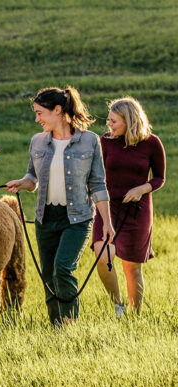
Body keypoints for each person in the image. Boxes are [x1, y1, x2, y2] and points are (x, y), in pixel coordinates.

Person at [5, 87, 112, 327]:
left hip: (77, 218)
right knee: (48, 277)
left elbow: (97, 184)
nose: (37, 119)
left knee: (62, 269)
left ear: (58, 110)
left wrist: (107, 222)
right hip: (46, 218)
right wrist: (23, 183)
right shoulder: (38, 141)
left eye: (40, 113)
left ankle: (71, 324)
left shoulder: (89, 141)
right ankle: (57, 329)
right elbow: (32, 180)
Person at [91, 97, 165, 316]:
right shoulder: (105, 141)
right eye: (109, 121)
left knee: (131, 266)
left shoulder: (152, 143)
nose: (109, 126)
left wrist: (141, 189)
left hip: (137, 210)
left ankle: (135, 315)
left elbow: (159, 178)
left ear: (129, 120)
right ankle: (118, 305)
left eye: (114, 121)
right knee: (102, 255)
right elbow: (96, 175)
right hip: (108, 207)